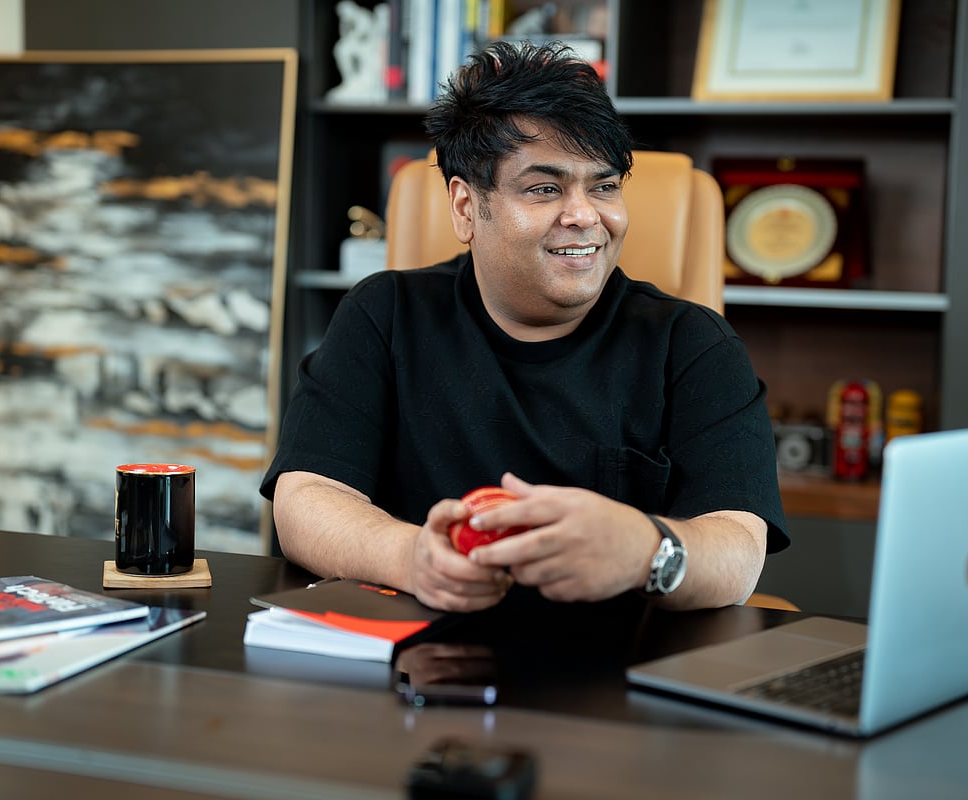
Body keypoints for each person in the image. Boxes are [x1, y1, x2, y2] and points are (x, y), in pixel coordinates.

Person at [261, 41, 789, 616]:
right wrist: (413, 557)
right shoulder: (384, 314)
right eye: (544, 188)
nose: (585, 215)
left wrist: (646, 548)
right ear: (466, 207)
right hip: (420, 647)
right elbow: (307, 497)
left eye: (604, 186)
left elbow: (739, 549)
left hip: (618, 657)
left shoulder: (694, 344)